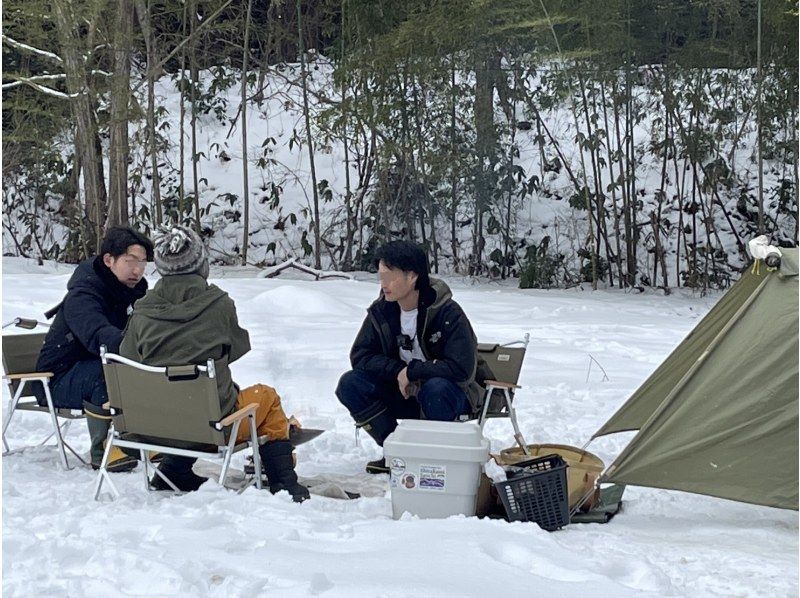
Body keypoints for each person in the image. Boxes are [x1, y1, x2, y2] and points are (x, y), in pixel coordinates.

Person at [119, 225, 310, 502]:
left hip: (154, 426)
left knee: (179, 396)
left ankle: (172, 470)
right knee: (265, 397)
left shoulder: (142, 311)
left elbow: (129, 361)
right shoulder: (218, 304)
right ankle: (283, 481)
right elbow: (236, 347)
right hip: (211, 427)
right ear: (201, 264)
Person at [336, 240, 483, 474]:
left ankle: (432, 458)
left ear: (412, 276)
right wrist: (397, 371)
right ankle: (397, 452)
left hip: (449, 396)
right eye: (380, 277)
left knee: (435, 388)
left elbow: (461, 369)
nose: (383, 284)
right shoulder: (382, 311)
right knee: (350, 383)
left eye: (389, 277)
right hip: (403, 393)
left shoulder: (447, 312)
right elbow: (361, 356)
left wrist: (413, 371)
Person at [36, 226, 154, 472]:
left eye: (143, 263)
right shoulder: (83, 294)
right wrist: (137, 349)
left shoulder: (134, 292)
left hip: (97, 366)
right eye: (130, 261)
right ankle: (105, 449)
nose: (138, 270)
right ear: (109, 260)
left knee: (145, 370)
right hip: (56, 378)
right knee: (109, 374)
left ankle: (145, 439)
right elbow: (98, 335)